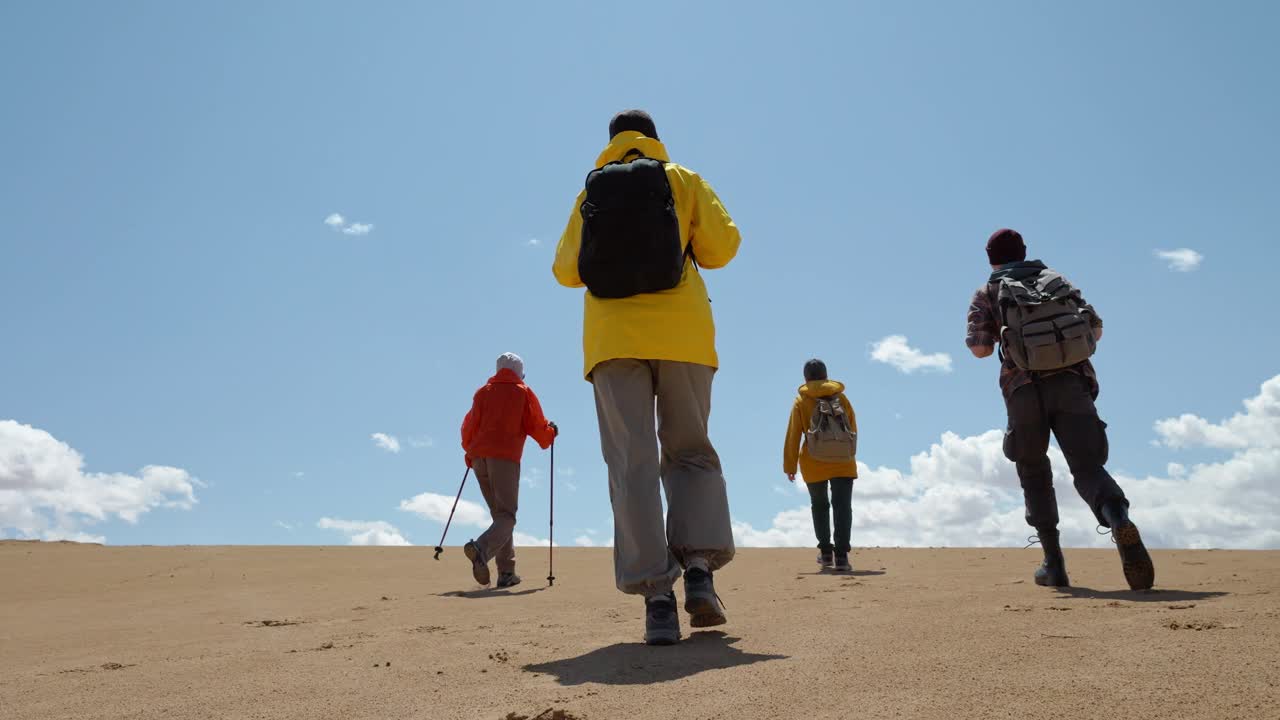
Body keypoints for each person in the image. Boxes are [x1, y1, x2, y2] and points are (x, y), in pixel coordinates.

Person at [552, 110, 741, 645]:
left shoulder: (590, 191)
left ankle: (658, 600)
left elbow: (566, 271)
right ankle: (699, 569)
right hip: (683, 334)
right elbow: (723, 250)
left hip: (612, 343)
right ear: (656, 139)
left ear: (610, 144)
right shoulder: (683, 179)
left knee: (630, 463)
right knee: (689, 450)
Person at [966, 228, 1154, 590]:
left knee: (1033, 470)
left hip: (1023, 391)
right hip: (1072, 384)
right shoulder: (1057, 281)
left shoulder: (988, 291)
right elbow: (1095, 330)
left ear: (991, 258)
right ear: (1025, 252)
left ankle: (1054, 565)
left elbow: (980, 349)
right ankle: (1117, 518)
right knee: (1087, 467)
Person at [460, 352, 557, 589]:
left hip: (479, 459)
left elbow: (468, 427)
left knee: (500, 517)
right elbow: (536, 426)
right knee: (507, 516)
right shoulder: (522, 392)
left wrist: (470, 453)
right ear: (519, 372)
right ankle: (481, 548)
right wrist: (550, 433)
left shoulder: (483, 392)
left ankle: (506, 572)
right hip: (504, 459)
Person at [782, 359, 858, 572]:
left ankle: (826, 553)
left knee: (820, 505)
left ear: (805, 379)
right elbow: (852, 428)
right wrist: (849, 454)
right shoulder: (842, 398)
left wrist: (790, 465)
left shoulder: (801, 401)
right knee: (842, 506)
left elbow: (793, 435)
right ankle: (842, 556)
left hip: (813, 462)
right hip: (843, 461)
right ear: (826, 376)